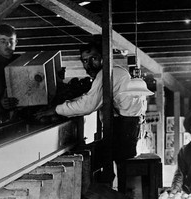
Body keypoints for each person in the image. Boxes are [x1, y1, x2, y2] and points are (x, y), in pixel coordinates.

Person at [35, 39, 148, 186]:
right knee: (95, 159)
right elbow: (88, 98)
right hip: (128, 130)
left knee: (87, 161)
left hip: (124, 133)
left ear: (104, 57)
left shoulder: (107, 74)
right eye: (85, 60)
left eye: (94, 58)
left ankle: (94, 192)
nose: (88, 64)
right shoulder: (114, 72)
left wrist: (55, 109)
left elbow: (88, 105)